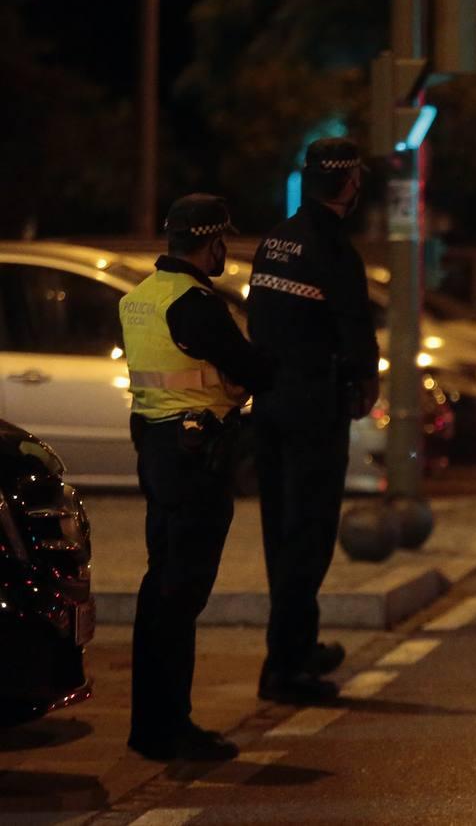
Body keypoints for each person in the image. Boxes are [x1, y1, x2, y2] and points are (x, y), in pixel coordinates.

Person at [120, 194, 273, 761]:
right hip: (196, 458)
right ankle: (170, 728)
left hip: (157, 451)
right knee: (181, 596)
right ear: (212, 242)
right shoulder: (197, 303)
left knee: (159, 586)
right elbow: (252, 367)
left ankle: (148, 725)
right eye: (223, 242)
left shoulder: (139, 299)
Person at [247, 137, 380, 704]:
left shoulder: (276, 240)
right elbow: (355, 333)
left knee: (282, 533)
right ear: (350, 185)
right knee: (309, 535)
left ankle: (296, 646)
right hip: (312, 410)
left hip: (270, 404)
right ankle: (287, 666)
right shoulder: (334, 251)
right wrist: (363, 385)